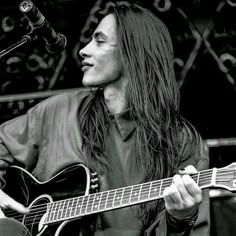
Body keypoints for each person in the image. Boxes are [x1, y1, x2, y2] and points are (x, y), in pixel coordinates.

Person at [0, 1, 210, 236]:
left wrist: (180, 219)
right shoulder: (59, 110)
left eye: (99, 41)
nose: (83, 50)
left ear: (133, 53)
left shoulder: (182, 142)